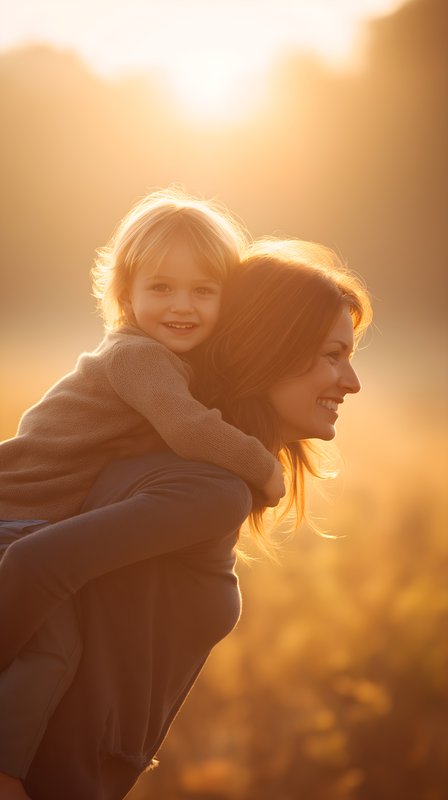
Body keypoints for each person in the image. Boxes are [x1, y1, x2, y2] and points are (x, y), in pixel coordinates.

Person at [0, 236, 371, 800]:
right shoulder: (211, 489)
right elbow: (32, 565)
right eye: (333, 355)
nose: (352, 381)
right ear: (270, 351)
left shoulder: (175, 463)